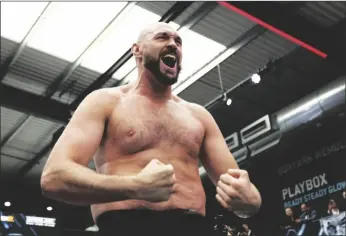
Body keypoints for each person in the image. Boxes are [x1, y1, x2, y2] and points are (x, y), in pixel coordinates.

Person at [40, 22, 262, 236]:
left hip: (193, 227)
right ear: (137, 50)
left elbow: (238, 189)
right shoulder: (105, 102)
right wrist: (134, 185)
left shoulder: (199, 116)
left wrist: (252, 201)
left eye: (178, 41)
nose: (173, 44)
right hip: (126, 225)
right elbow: (54, 177)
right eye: (162, 37)